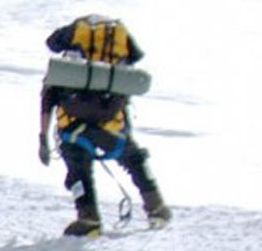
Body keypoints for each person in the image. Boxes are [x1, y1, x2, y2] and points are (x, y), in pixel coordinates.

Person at [36, 13, 171, 237]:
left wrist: (43, 138)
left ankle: (88, 218)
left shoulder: (76, 29)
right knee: (134, 159)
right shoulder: (121, 32)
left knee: (78, 167)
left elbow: (52, 44)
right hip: (112, 120)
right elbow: (136, 56)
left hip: (73, 122)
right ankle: (156, 208)